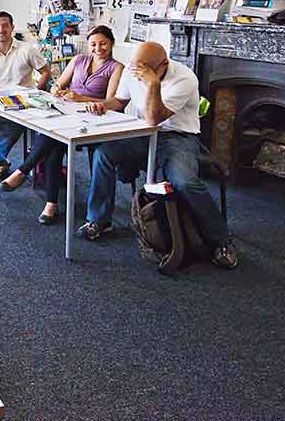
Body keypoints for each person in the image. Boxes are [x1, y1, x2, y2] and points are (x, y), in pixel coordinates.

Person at [79, 42, 238, 269]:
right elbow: (120, 101)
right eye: (136, 67)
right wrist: (103, 105)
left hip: (177, 136)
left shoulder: (184, 78)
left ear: (163, 64)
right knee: (103, 154)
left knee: (184, 182)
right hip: (143, 133)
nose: (137, 73)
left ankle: (221, 241)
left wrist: (152, 83)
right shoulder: (133, 69)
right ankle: (99, 220)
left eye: (144, 69)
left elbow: (155, 118)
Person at [0, 26, 124, 224]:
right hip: (68, 113)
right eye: (93, 44)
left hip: (94, 120)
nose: (98, 48)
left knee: (51, 139)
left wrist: (81, 98)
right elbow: (58, 84)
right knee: (53, 141)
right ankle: (50, 203)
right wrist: (57, 90)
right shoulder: (79, 60)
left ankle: (25, 173)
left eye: (103, 44)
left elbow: (110, 101)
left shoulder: (116, 67)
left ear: (112, 44)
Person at [0, 11, 51, 181]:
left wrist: (35, 92)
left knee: (18, 120)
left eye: (5, 26)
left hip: (21, 101)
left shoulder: (27, 49)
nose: (1, 30)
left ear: (12, 28)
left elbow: (46, 72)